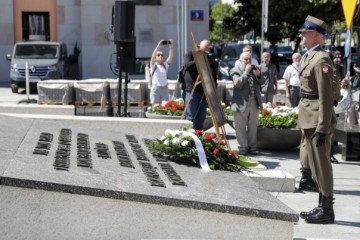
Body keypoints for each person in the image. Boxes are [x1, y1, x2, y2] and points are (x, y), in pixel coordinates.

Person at [298, 15, 337, 224]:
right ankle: (322, 204)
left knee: (322, 164)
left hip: (317, 119)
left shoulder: (321, 59)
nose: (302, 35)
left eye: (306, 32)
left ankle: (327, 209)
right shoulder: (308, 56)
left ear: (316, 35)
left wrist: (322, 126)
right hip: (308, 115)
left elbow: (326, 96)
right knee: (315, 163)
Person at [230, 51, 263, 155]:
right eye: (246, 59)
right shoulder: (235, 70)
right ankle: (243, 148)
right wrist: (246, 73)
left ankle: (252, 147)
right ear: (241, 60)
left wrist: (259, 76)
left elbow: (262, 83)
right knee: (240, 126)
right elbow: (237, 83)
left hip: (254, 101)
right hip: (241, 102)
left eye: (250, 59)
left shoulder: (255, 70)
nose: (248, 61)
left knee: (253, 126)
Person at [183, 40, 218, 130]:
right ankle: (190, 137)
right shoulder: (191, 54)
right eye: (207, 46)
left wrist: (214, 92)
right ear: (201, 46)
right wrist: (200, 59)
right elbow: (187, 66)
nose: (209, 48)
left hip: (204, 91)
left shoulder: (210, 57)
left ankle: (199, 136)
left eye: (210, 46)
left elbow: (214, 76)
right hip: (191, 90)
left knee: (201, 117)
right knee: (191, 117)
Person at [149, 39, 174, 105]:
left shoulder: (164, 65)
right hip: (156, 89)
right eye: (158, 55)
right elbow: (152, 57)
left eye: (162, 55)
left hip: (164, 88)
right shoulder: (153, 65)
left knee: (165, 106)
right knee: (155, 106)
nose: (160, 56)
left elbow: (170, 57)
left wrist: (171, 47)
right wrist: (158, 46)